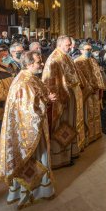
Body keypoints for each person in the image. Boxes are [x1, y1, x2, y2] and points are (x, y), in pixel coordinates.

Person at [0, 51, 56, 209]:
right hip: (29, 132)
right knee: (36, 157)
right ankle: (32, 191)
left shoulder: (28, 77)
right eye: (38, 62)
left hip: (33, 128)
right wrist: (46, 100)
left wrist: (45, 97)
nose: (41, 64)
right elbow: (29, 111)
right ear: (29, 64)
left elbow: (36, 97)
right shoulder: (24, 82)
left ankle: (35, 190)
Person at [42, 35, 84, 168]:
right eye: (67, 45)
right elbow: (49, 81)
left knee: (69, 125)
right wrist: (58, 98)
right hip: (60, 101)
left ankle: (70, 152)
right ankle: (59, 157)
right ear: (59, 45)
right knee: (60, 127)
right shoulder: (54, 59)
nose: (71, 47)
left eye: (70, 44)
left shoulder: (66, 56)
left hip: (69, 97)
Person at [74, 43, 106, 145]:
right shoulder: (77, 62)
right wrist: (89, 87)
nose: (89, 51)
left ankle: (96, 133)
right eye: (86, 50)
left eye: (90, 49)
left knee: (96, 111)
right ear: (81, 50)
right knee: (87, 113)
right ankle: (88, 136)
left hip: (95, 90)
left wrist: (98, 85)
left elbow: (97, 74)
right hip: (87, 92)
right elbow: (79, 79)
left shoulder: (93, 60)